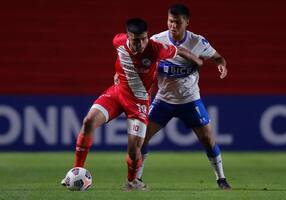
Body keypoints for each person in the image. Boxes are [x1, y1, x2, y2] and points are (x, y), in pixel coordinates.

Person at [60, 17, 204, 190]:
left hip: (139, 102)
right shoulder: (118, 41)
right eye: (136, 40)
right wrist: (116, 73)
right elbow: (121, 57)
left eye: (144, 38)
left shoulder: (156, 49)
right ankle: (77, 169)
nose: (141, 43)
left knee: (133, 149)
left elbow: (179, 50)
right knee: (88, 121)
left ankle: (132, 181)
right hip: (117, 93)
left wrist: (196, 60)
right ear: (128, 37)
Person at [136, 4, 231, 190]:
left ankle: (221, 178)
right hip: (163, 100)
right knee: (141, 138)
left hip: (190, 100)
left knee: (208, 140)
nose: (173, 25)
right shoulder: (156, 41)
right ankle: (137, 178)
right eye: (170, 21)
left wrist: (222, 65)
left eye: (178, 22)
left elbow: (218, 57)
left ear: (186, 22)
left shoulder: (198, 42)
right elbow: (139, 60)